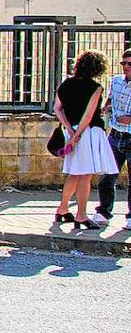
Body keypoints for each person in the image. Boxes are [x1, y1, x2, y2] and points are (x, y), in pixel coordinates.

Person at [54, 50, 120, 230]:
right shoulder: (95, 87)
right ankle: (81, 215)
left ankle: (62, 209)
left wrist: (69, 130)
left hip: (71, 130)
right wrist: (77, 137)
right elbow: (89, 116)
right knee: (85, 175)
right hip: (88, 133)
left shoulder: (66, 83)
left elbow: (57, 108)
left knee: (74, 173)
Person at [95, 49, 131, 231]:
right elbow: (111, 98)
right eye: (123, 63)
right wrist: (106, 105)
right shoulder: (117, 81)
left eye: (129, 64)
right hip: (115, 135)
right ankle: (103, 212)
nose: (126, 67)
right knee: (107, 177)